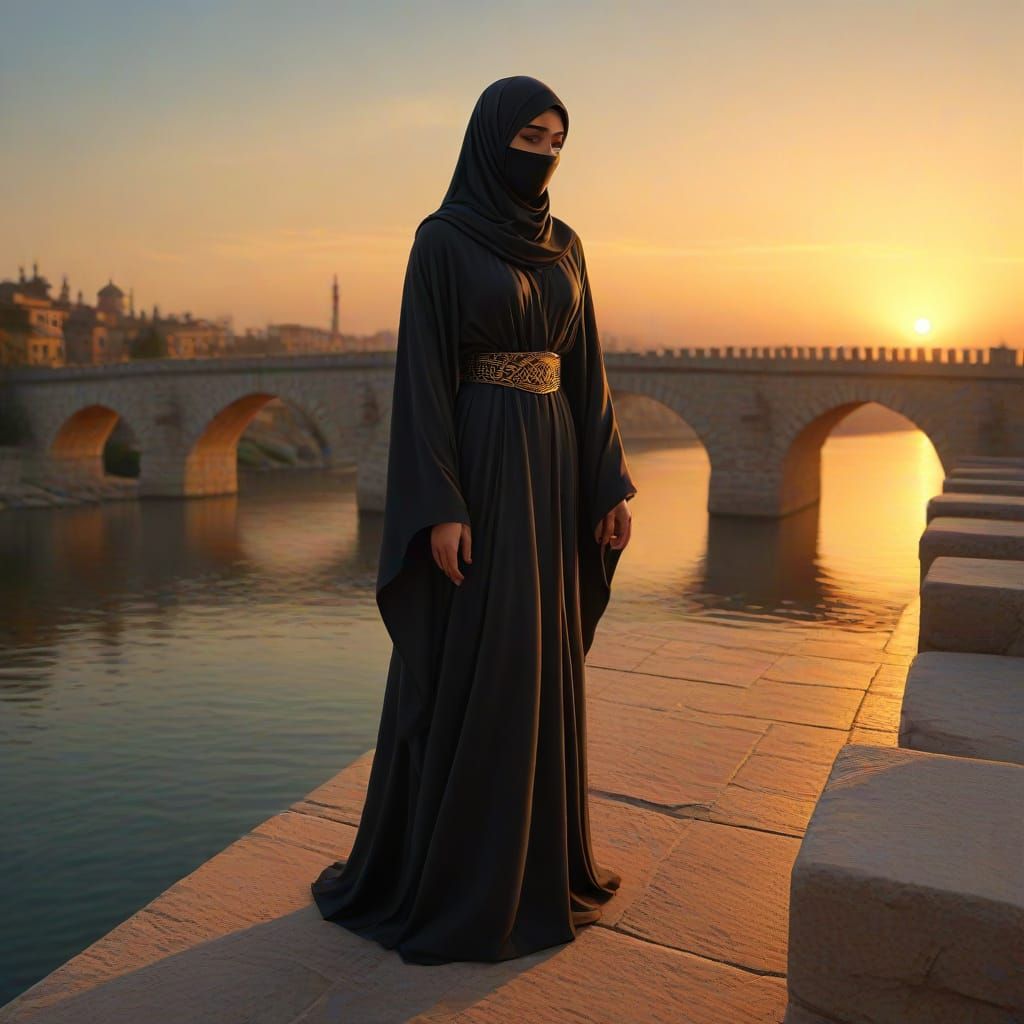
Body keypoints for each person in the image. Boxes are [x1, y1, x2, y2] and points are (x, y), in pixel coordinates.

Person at [310, 74, 638, 966]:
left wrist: (607, 484)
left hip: (554, 463)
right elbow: (421, 378)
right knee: (480, 661)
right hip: (482, 467)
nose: (543, 154)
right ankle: (457, 877)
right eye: (528, 136)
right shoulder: (443, 241)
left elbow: (587, 373)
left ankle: (535, 866)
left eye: (556, 140)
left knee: (538, 660)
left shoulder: (568, 246)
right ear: (492, 136)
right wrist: (440, 506)